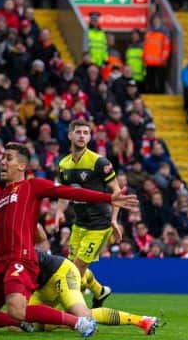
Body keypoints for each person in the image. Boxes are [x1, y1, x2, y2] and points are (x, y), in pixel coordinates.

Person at [0, 142, 138, 337]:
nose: (2, 162)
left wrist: (108, 198)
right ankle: (29, 323)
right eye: (2, 158)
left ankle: (79, 322)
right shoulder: (0, 199)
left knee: (16, 310)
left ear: (21, 166)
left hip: (20, 260)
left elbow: (70, 192)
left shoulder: (32, 186)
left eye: (8, 158)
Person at [0, 207, 159, 335]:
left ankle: (141, 320)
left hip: (58, 271)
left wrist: (27, 224)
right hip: (39, 287)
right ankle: (83, 297)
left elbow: (39, 234)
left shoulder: (6, 233)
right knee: (19, 323)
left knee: (83, 315)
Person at [57, 120, 123, 308]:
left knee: (75, 270)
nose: (82, 136)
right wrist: (58, 213)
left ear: (90, 136)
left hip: (99, 224)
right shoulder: (63, 164)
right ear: (70, 135)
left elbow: (116, 192)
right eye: (78, 132)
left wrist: (114, 220)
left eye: (86, 132)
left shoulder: (99, 162)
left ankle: (76, 313)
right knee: (70, 266)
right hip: (79, 223)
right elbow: (64, 193)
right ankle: (100, 291)